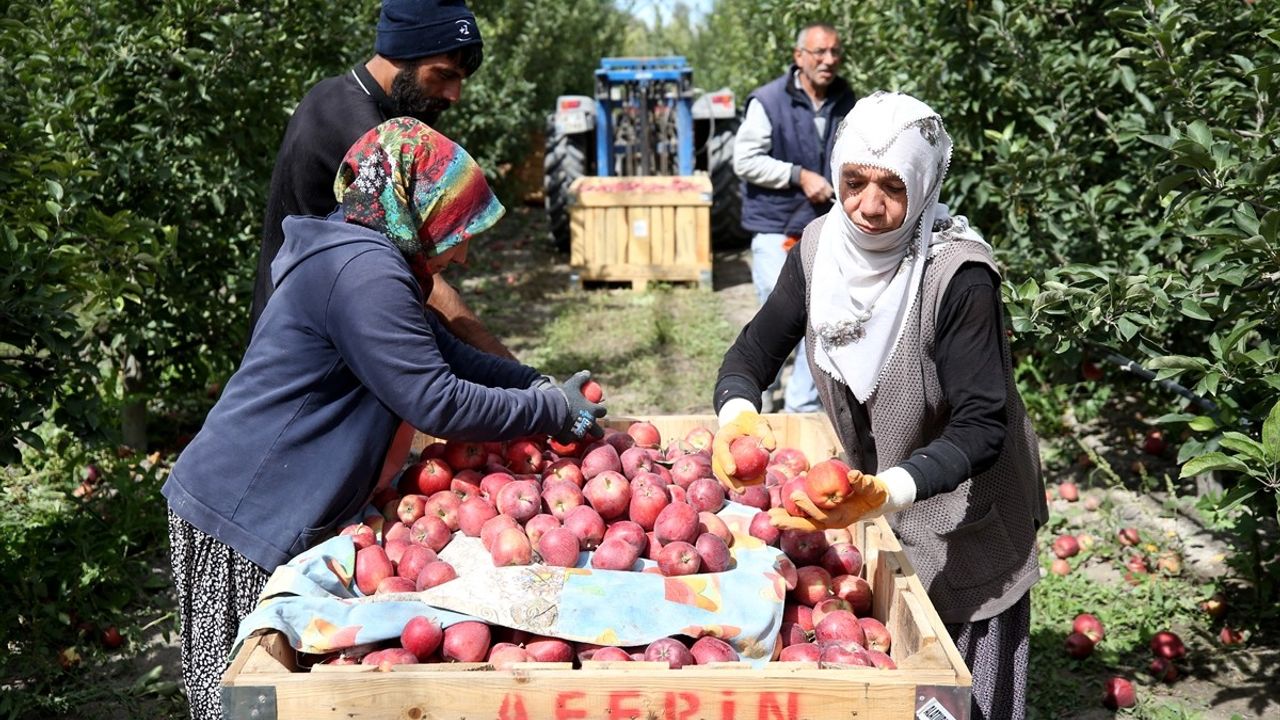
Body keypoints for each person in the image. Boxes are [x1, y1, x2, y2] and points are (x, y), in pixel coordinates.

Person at [164, 118, 606, 720]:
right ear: (417, 210)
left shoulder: (367, 258)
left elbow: (445, 353)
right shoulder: (365, 272)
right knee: (246, 701)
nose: (466, 250)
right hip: (244, 512)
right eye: (459, 229)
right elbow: (435, 399)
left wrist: (533, 383)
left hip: (265, 504)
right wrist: (548, 409)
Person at [712, 92, 1046, 720]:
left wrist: (887, 491)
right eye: (853, 180)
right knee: (893, 662)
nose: (868, 205)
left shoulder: (958, 276)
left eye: (892, 185)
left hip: (967, 498)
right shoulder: (819, 248)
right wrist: (738, 420)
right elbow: (751, 355)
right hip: (881, 493)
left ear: (922, 185)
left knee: (957, 669)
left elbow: (981, 427)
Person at [251, 0, 511, 360]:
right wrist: (518, 376)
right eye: (443, 74)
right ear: (401, 53)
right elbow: (421, 276)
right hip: (305, 360)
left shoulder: (352, 104)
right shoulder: (361, 131)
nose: (455, 95)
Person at [733, 22, 856, 413]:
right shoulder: (767, 101)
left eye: (835, 52)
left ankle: (801, 410)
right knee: (779, 317)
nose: (829, 60)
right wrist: (798, 175)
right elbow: (744, 160)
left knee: (821, 321)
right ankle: (754, 398)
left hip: (825, 227)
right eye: (820, 52)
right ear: (799, 56)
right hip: (776, 227)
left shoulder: (845, 99)